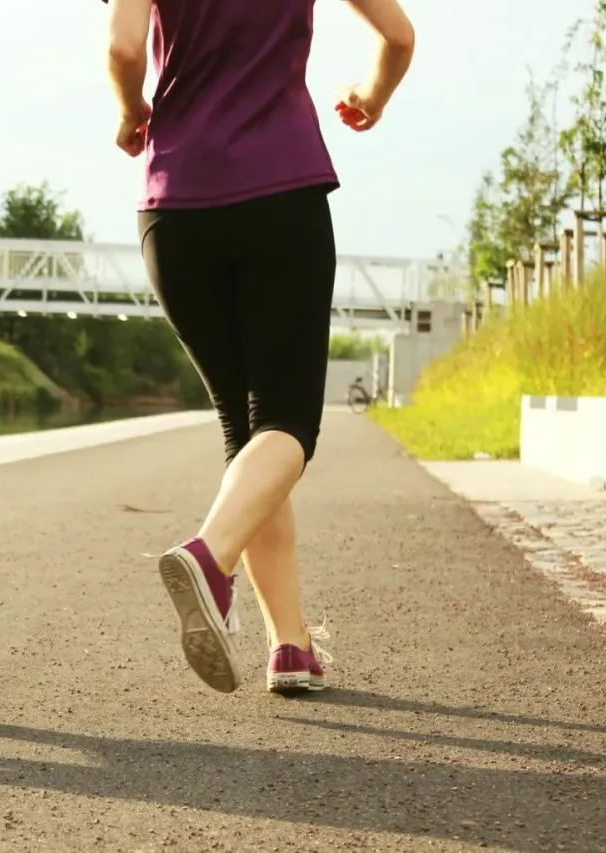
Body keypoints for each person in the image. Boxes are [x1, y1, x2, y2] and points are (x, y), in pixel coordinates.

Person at [104, 0, 415, 694]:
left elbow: (125, 50)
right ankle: (210, 558)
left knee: (247, 430)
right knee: (288, 423)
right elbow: (397, 35)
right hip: (281, 192)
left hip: (174, 207)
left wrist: (131, 113)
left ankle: (291, 645)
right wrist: (371, 98)